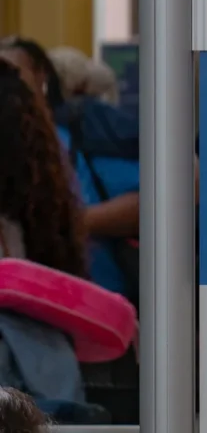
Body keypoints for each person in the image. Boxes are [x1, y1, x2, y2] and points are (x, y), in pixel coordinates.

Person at [0, 39, 137, 298]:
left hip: (92, 300)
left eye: (13, 73)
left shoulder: (82, 131)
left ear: (42, 76)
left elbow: (158, 197)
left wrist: (67, 221)